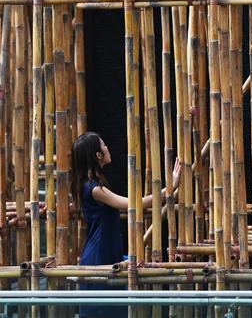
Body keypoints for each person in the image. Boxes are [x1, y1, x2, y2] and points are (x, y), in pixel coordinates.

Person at [72, 131, 180, 317]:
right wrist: (170, 188)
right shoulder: (94, 189)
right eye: (104, 145)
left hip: (105, 253)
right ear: (98, 155)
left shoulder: (90, 186)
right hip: (100, 257)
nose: (107, 148)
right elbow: (133, 204)